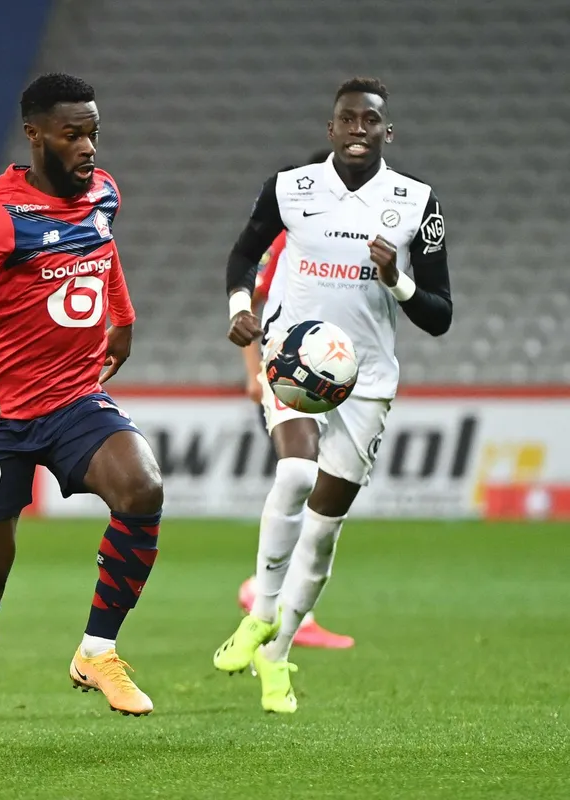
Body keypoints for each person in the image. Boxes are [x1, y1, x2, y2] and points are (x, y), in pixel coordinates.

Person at [0, 73, 164, 759]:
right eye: (72, 133)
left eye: (92, 130)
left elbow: (103, 246)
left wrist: (122, 317)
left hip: (72, 400)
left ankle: (97, 650)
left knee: (142, 486)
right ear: (35, 136)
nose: (87, 145)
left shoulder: (104, 192)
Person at [216, 77, 452, 713]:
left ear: (385, 132)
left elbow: (440, 315)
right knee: (294, 471)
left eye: (369, 121)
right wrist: (241, 306)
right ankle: (259, 613)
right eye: (346, 119)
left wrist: (396, 279)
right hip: (294, 360)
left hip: (367, 381)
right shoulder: (290, 188)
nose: (357, 129)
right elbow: (243, 254)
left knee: (323, 528)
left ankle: (278, 653)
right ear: (331, 128)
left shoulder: (417, 203)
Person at [235, 148, 355, 651]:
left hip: (332, 382)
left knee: (321, 491)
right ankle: (271, 601)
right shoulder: (288, 236)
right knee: (304, 482)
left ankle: (275, 600)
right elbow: (256, 297)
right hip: (293, 382)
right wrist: (253, 373)